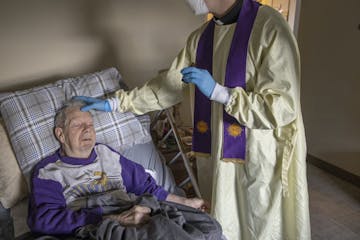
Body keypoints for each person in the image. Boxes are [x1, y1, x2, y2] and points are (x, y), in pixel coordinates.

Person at [76, 0, 311, 239]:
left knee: (259, 225)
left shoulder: (269, 27)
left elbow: (283, 106)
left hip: (258, 158)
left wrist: (220, 93)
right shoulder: (201, 38)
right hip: (217, 157)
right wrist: (116, 102)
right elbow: (168, 86)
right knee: (223, 224)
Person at [27, 100, 222, 239]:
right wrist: (114, 218)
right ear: (60, 134)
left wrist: (187, 202)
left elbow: (146, 187)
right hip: (100, 221)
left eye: (90, 124)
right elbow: (44, 220)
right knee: (165, 231)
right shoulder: (49, 171)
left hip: (137, 208)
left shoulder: (106, 154)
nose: (87, 130)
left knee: (210, 227)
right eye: (78, 125)